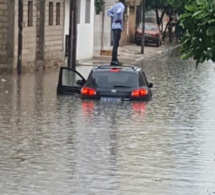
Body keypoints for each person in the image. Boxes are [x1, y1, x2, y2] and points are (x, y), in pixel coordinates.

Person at [107, 0, 125, 66]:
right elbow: (119, 12)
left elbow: (108, 12)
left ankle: (115, 59)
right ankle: (114, 60)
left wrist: (113, 16)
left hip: (114, 26)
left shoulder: (115, 5)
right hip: (118, 27)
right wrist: (117, 18)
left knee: (115, 44)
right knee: (116, 44)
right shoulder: (122, 6)